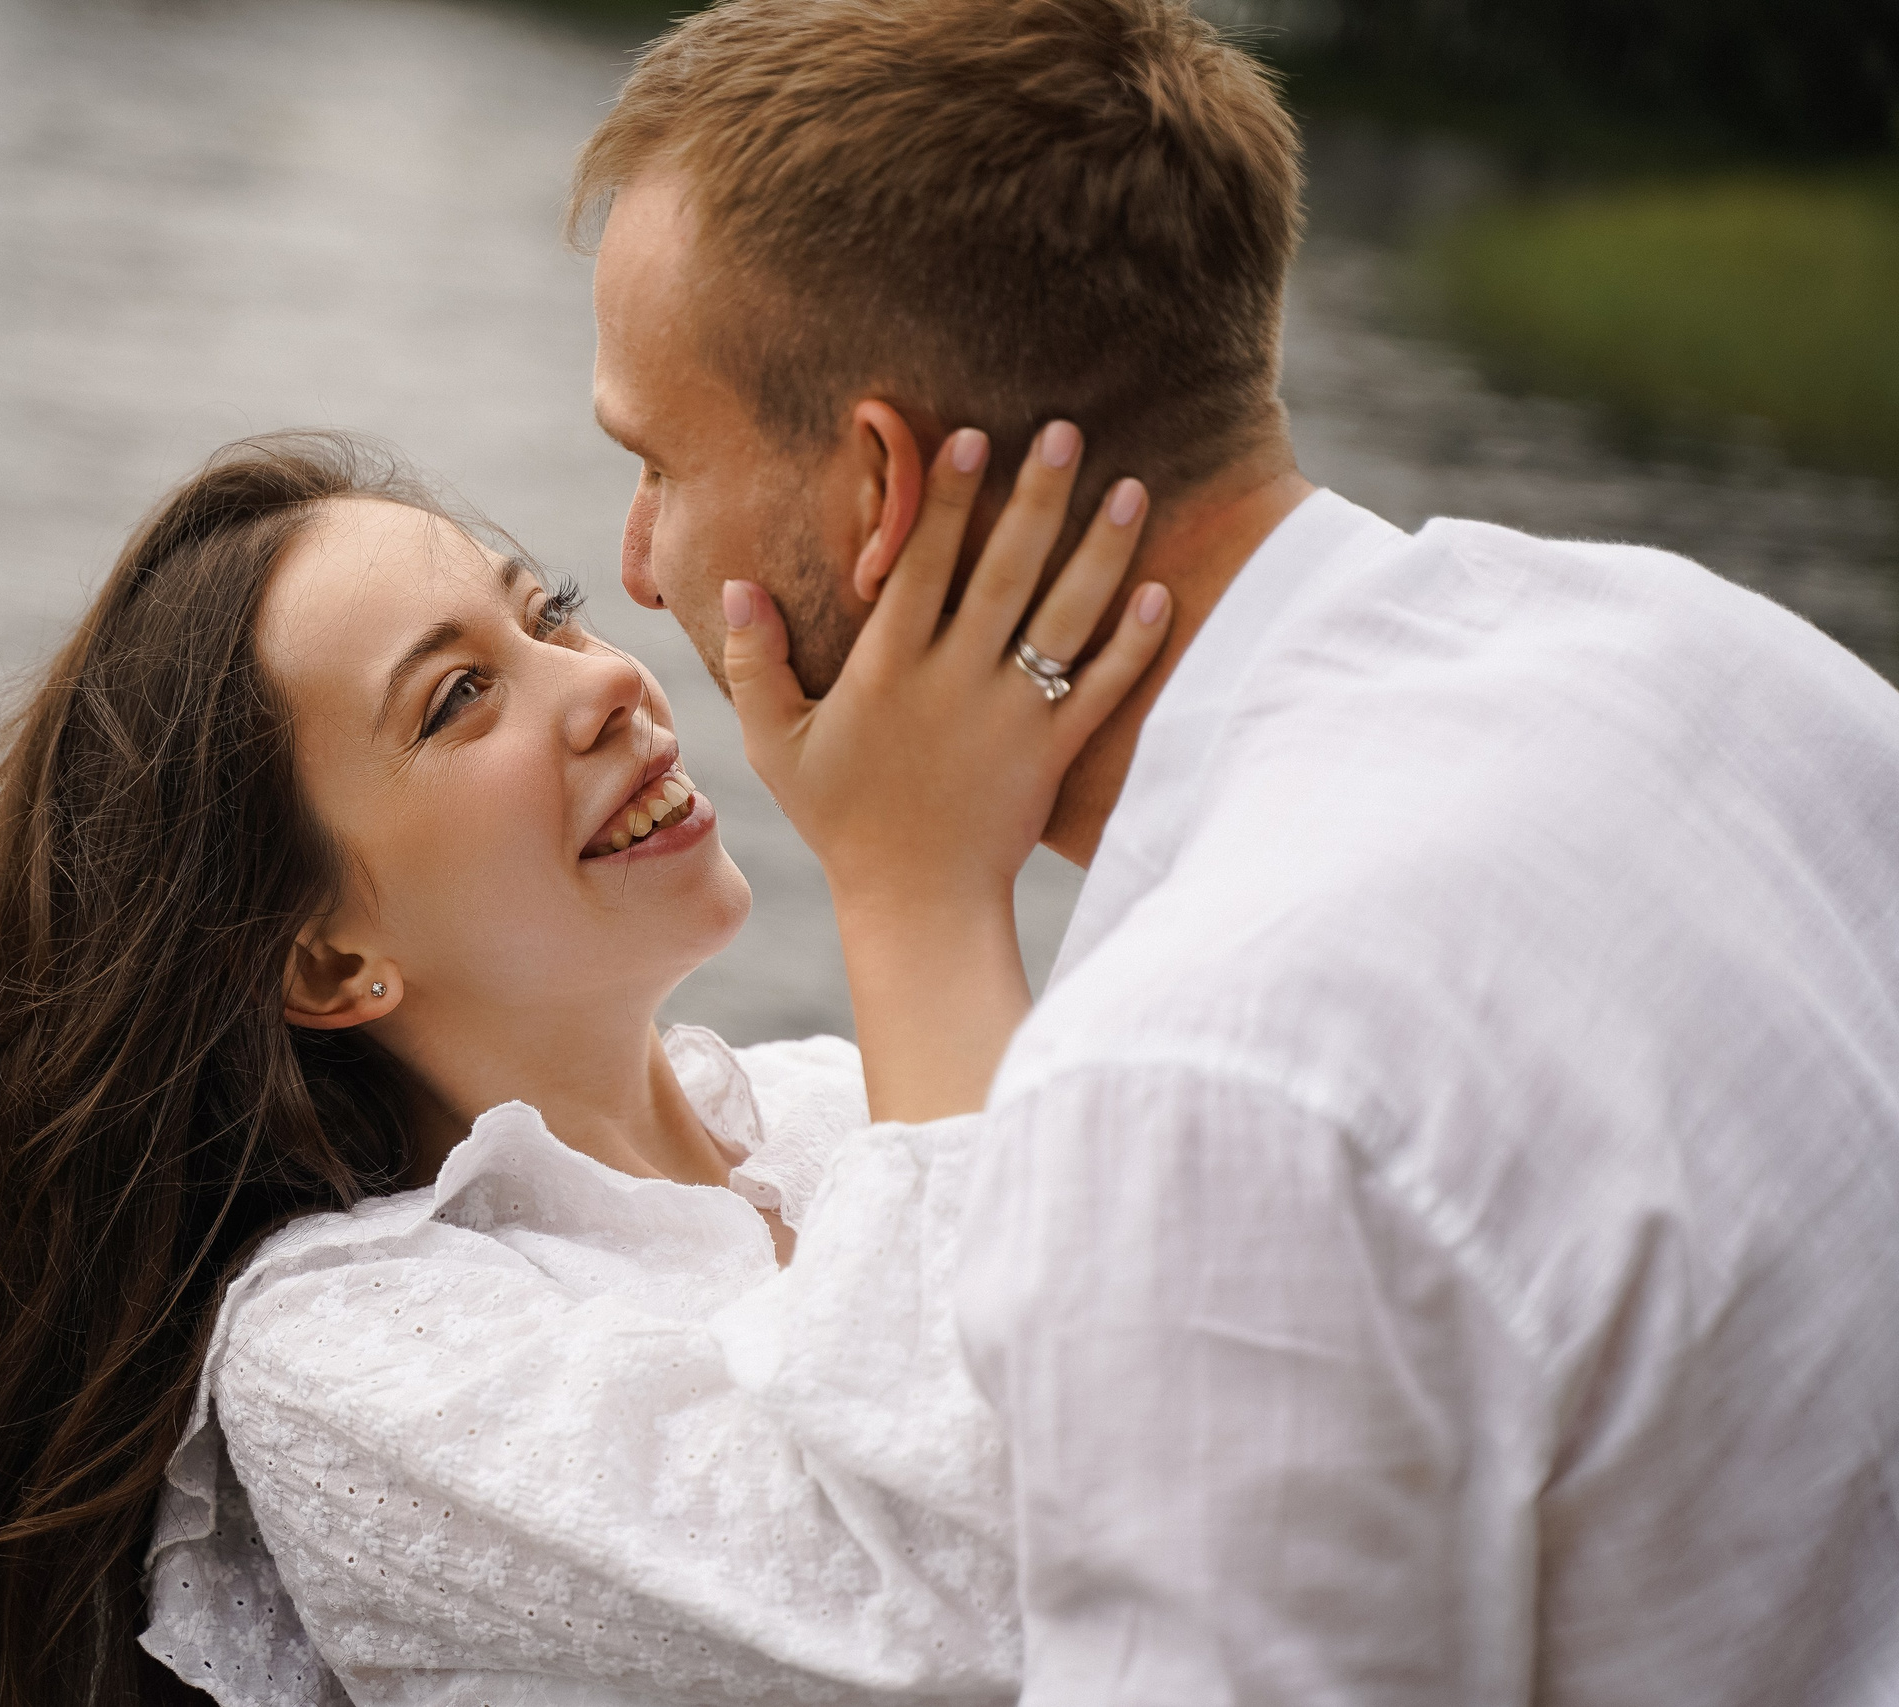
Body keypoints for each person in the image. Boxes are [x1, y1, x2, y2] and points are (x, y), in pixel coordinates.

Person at [579, 0, 1899, 1701]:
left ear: (876, 491)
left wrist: (912, 893)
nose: (634, 568)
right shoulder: (1729, 654)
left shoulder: (1200, 1086)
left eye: (656, 463)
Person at [0, 428, 1171, 1707]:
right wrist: (913, 882)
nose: (605, 685)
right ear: (329, 962)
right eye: (459, 698)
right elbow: (979, 1587)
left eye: (557, 617)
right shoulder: (340, 1361)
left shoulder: (840, 1107)